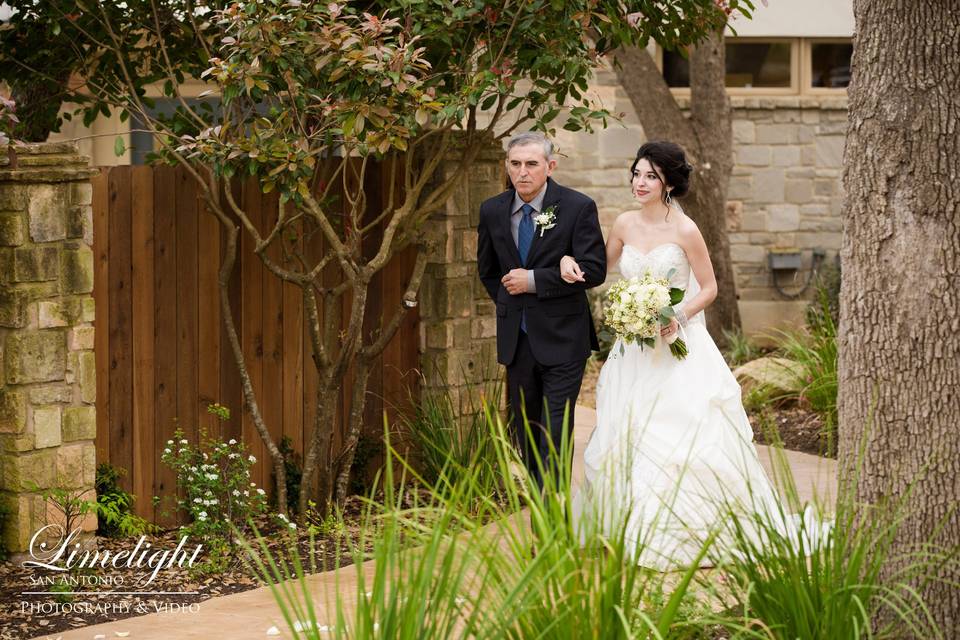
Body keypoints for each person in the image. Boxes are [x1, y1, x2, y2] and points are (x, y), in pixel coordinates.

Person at [564, 141, 797, 569]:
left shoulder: (686, 230)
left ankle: (685, 532)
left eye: (650, 176)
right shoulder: (623, 224)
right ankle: (630, 528)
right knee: (626, 433)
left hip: (678, 349)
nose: (639, 182)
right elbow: (594, 271)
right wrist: (566, 260)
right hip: (633, 351)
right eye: (636, 173)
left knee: (680, 437)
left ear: (668, 182)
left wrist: (677, 313)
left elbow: (709, 288)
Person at [476, 131, 606, 489]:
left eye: (531, 164)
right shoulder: (492, 211)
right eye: (515, 164)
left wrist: (533, 281)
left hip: (564, 340)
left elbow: (594, 270)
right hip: (517, 344)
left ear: (550, 166)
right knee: (528, 437)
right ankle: (540, 530)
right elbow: (488, 272)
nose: (522, 172)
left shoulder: (578, 207)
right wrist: (511, 306)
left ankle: (554, 529)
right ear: (507, 166)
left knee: (554, 435)